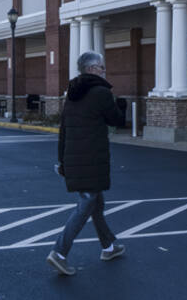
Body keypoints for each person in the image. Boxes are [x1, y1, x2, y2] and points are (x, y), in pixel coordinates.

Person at [47, 50, 128, 275]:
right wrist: (122, 105)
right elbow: (117, 121)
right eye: (102, 67)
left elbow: (63, 130)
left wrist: (61, 161)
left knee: (96, 205)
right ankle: (59, 252)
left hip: (74, 159)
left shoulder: (71, 94)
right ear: (92, 69)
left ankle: (109, 247)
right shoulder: (101, 93)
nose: (104, 71)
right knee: (86, 204)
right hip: (92, 161)